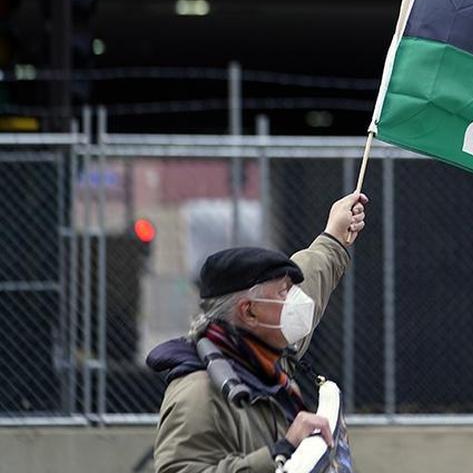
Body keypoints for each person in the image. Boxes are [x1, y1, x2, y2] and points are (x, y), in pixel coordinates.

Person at [146, 192, 368, 473]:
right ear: (249, 311)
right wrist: (280, 452)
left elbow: (311, 275)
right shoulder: (200, 393)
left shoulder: (267, 354)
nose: (296, 301)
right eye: (284, 292)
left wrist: (333, 237)